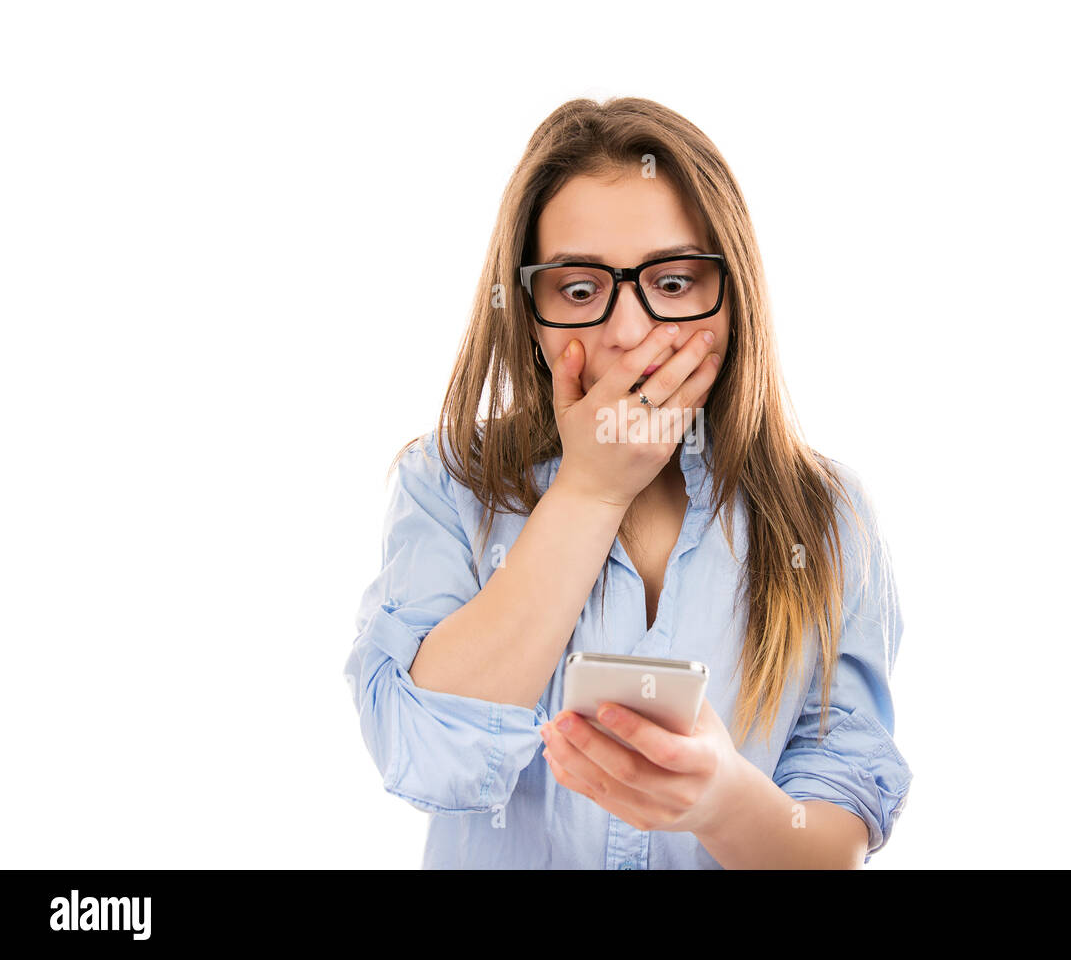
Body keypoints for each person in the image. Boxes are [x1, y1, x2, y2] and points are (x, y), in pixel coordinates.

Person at [343, 96, 912, 868]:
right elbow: (425, 746)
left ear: (733, 296)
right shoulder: (448, 485)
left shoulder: (827, 519)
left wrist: (720, 800)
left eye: (673, 282)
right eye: (580, 291)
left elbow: (833, 837)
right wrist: (590, 491)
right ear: (531, 313)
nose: (628, 331)